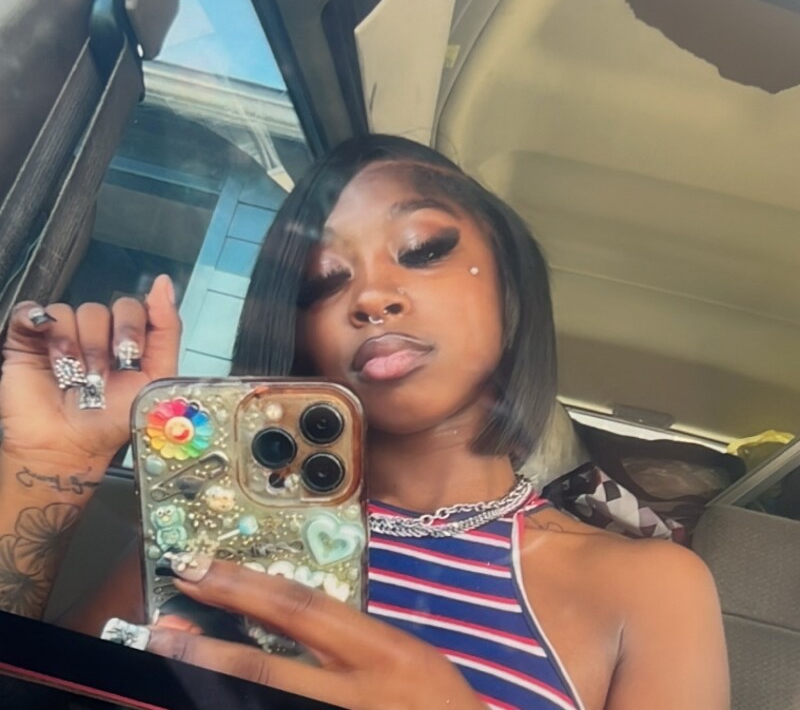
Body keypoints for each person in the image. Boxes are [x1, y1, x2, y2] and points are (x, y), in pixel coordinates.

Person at [0, 135, 729, 709]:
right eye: (324, 281)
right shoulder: (214, 523)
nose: (372, 297)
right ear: (300, 337)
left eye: (423, 249)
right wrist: (46, 467)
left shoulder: (649, 588)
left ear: (510, 286)